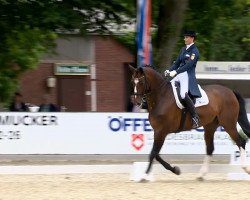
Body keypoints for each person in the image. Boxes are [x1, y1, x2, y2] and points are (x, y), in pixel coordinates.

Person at [164, 30, 201, 128]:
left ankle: (195, 117)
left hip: (187, 75)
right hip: (179, 74)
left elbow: (189, 65)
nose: (184, 39)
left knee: (183, 95)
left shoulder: (195, 51)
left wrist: (176, 72)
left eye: (186, 37)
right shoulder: (183, 49)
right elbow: (176, 64)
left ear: (192, 38)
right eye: (184, 37)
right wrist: (169, 70)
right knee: (166, 88)